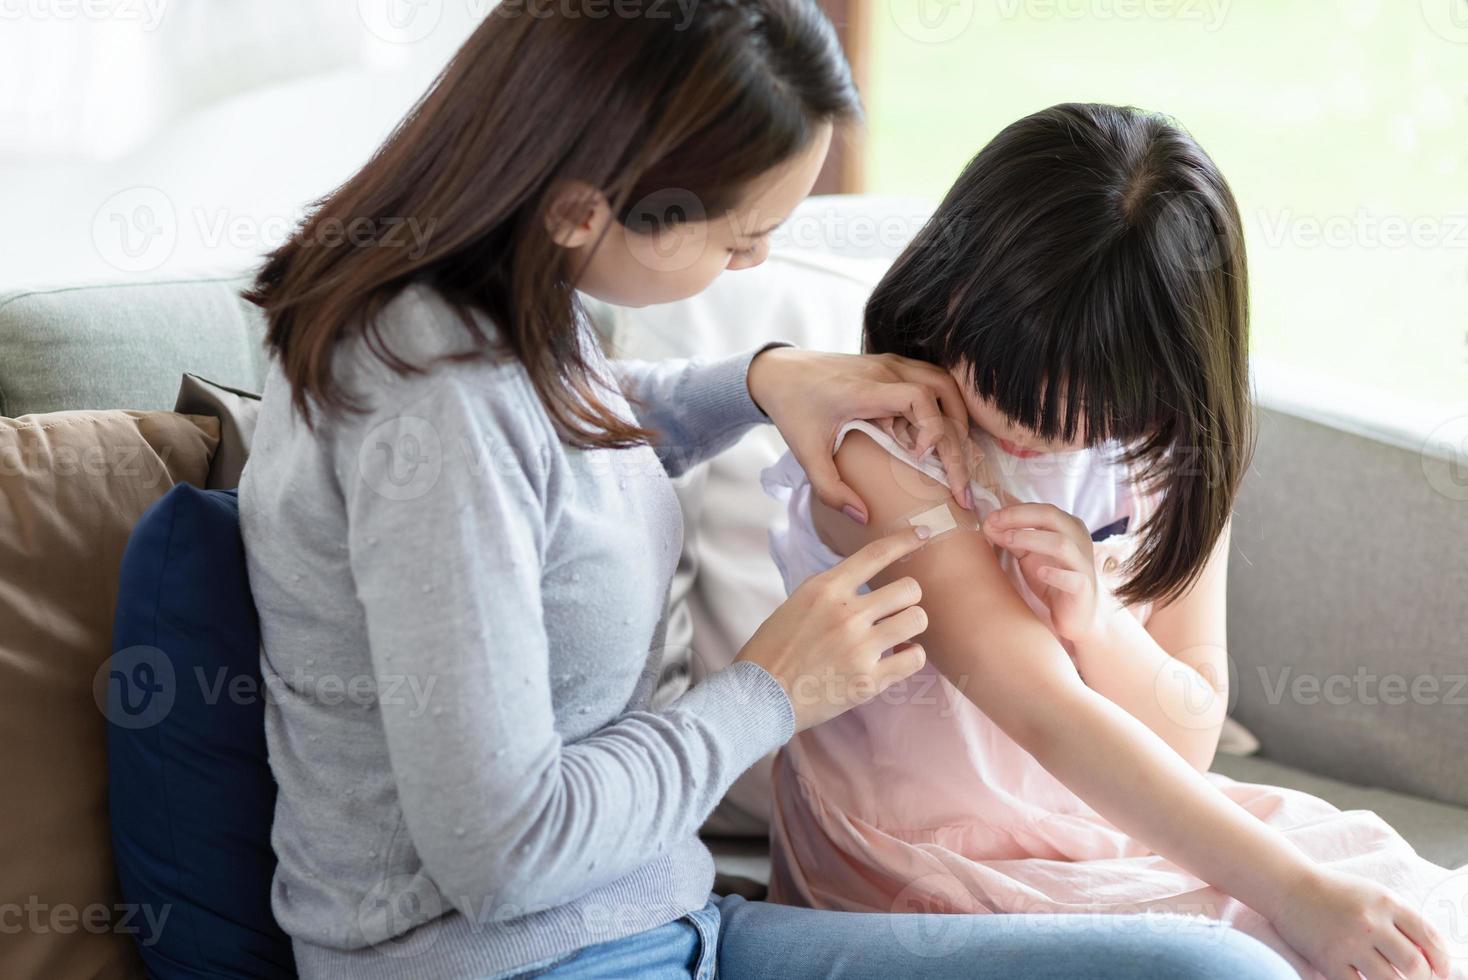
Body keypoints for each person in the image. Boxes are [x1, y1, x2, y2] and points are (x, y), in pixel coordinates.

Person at [239, 4, 1299, 977]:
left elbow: (560, 443)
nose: (754, 264)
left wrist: (756, 382)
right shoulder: (432, 411)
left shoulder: (502, 308)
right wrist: (769, 690)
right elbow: (503, 853)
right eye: (740, 236)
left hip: (666, 927)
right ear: (578, 210)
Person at [763, 101, 1458, 980]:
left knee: (1391, 893)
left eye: (1084, 410)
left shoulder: (1164, 455)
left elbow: (1190, 736)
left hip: (1106, 819)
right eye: (1003, 372)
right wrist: (1292, 893)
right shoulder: (882, 453)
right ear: (951, 284)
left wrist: (1098, 621)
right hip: (912, 866)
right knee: (1280, 942)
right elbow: (1047, 714)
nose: (1026, 428)